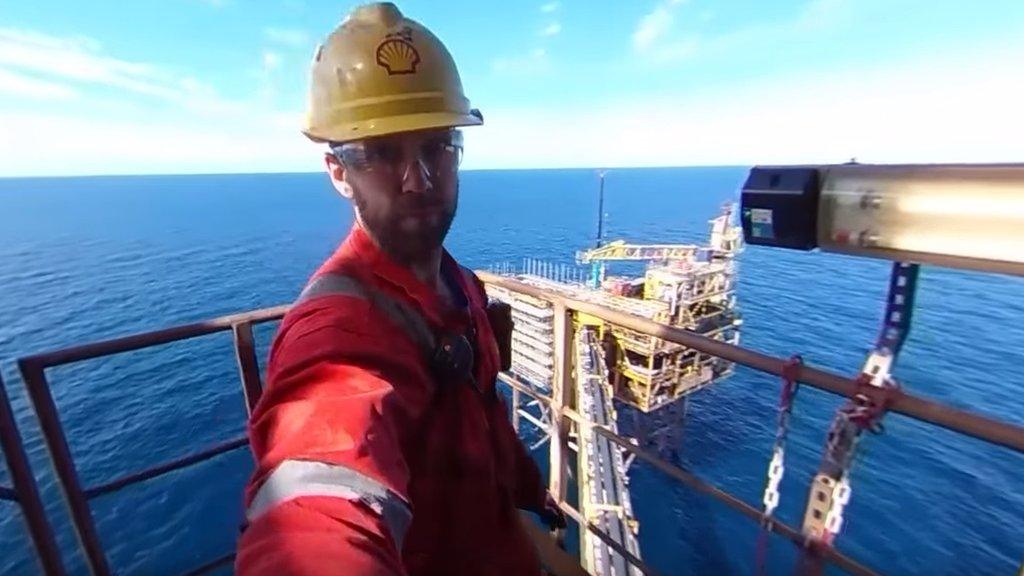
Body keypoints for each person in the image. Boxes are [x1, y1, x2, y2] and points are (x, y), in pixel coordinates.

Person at [236, 3, 565, 575]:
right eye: (383, 154)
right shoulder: (336, 329)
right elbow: (320, 482)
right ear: (339, 173)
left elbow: (479, 415)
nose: (420, 180)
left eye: (437, 146)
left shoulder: (461, 285)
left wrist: (525, 491)